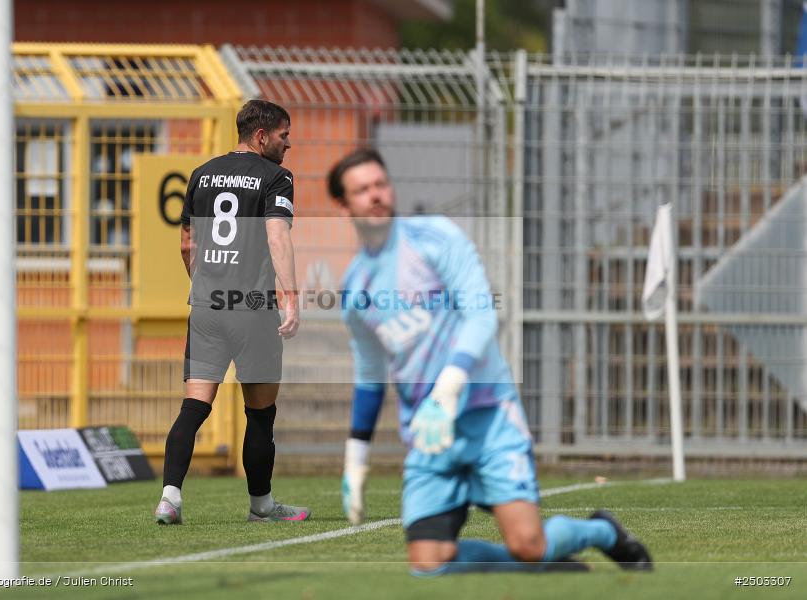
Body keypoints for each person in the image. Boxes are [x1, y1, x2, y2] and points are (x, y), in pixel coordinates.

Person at [330, 148, 651, 574]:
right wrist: (356, 460)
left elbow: (482, 314)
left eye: (380, 184)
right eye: (362, 190)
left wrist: (447, 388)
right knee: (428, 564)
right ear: (344, 204)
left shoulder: (434, 238)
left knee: (529, 545)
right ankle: (548, 571)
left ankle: (602, 533)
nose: (375, 196)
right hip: (431, 435)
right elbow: (370, 375)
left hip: (487, 417)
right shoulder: (355, 287)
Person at [154, 99, 310, 524]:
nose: (288, 144)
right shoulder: (276, 177)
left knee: (194, 407)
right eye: (283, 136)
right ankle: (261, 506)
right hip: (251, 308)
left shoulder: (202, 174)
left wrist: (201, 284)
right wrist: (290, 297)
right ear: (261, 136)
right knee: (260, 413)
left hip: (206, 306)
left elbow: (188, 241)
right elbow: (277, 237)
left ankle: (169, 499)